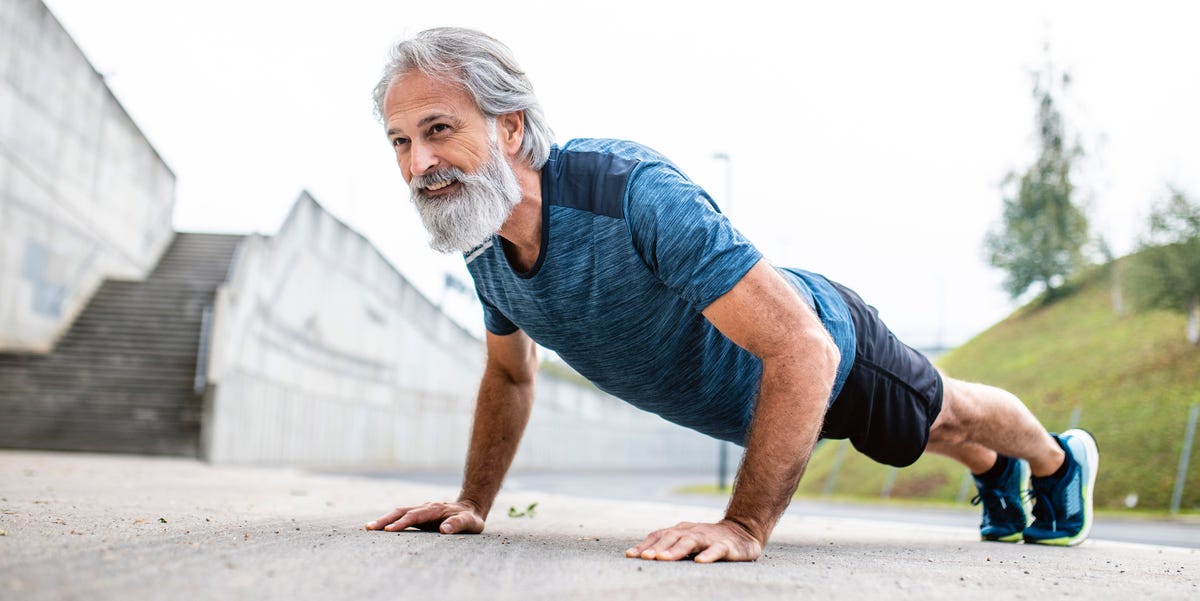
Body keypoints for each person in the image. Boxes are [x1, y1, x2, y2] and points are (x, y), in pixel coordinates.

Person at [363, 27, 1100, 562]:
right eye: (400, 140)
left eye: (438, 129)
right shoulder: (482, 237)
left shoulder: (628, 193)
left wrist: (744, 526)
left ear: (510, 126)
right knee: (921, 437)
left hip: (825, 346)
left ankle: (1055, 464)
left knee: (945, 407)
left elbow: (803, 349)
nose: (418, 161)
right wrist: (472, 501)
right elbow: (510, 372)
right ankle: (993, 469)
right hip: (768, 397)